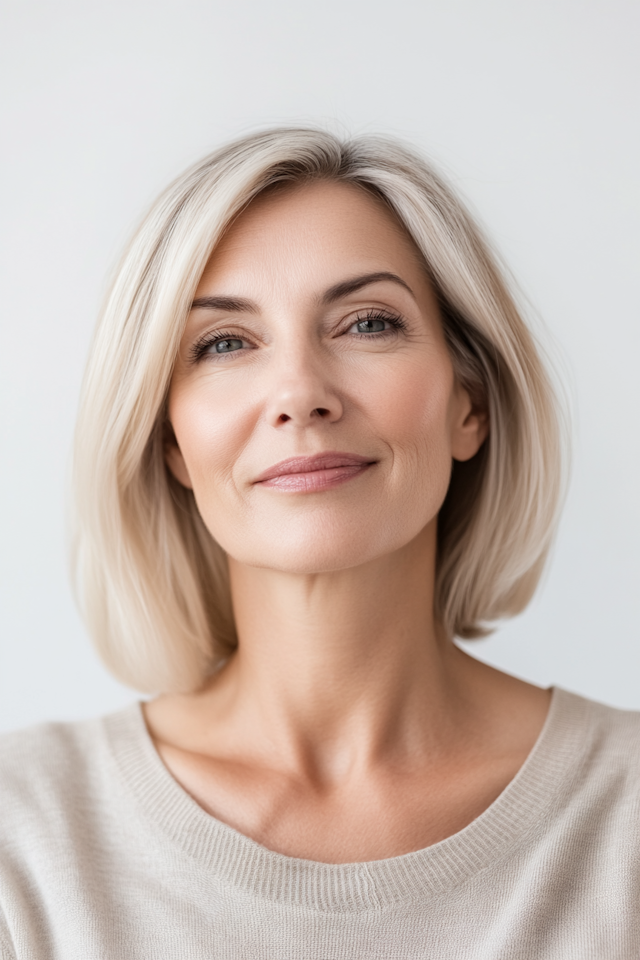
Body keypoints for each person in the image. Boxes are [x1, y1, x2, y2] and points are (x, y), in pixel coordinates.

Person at [0, 128, 638, 960]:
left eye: (367, 323)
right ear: (169, 443)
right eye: (224, 343)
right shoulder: (25, 839)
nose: (301, 393)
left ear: (468, 406)